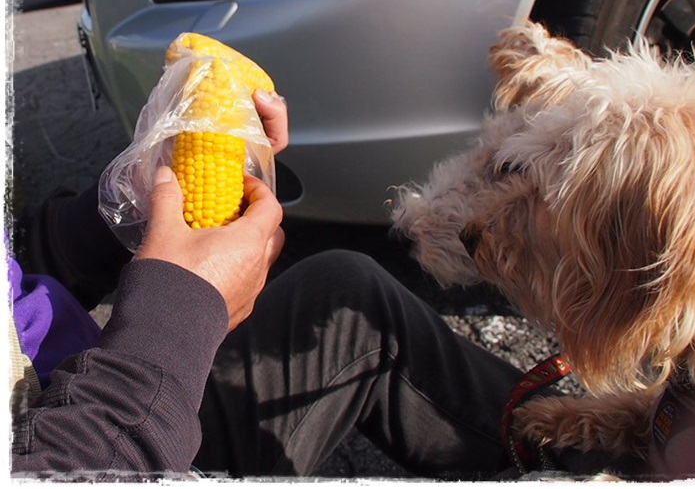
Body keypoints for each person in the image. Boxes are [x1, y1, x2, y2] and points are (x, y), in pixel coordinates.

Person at [8, 88, 530, 480]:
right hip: (108, 444)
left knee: (346, 292)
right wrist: (180, 314)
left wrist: (141, 196)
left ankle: (564, 449)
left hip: (89, 387)